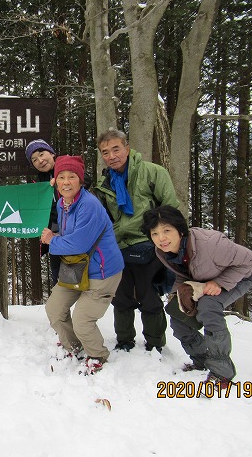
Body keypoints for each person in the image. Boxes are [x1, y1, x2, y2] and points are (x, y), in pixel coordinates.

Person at [141, 205, 252, 386]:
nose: (161, 238)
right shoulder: (162, 251)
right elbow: (183, 273)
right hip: (203, 280)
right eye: (154, 233)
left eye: (166, 231)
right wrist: (176, 295)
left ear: (180, 230)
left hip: (238, 277)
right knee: (177, 313)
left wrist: (219, 283)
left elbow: (249, 259)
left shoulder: (211, 244)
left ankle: (222, 372)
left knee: (208, 306)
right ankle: (201, 359)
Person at [95, 129, 180, 353]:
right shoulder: (105, 183)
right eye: (105, 152)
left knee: (149, 296)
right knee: (121, 297)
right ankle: (124, 341)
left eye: (116, 149)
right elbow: (104, 217)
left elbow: (170, 209)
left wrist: (166, 242)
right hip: (118, 247)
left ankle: (155, 343)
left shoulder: (152, 172)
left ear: (127, 148)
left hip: (149, 244)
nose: (111, 156)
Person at [41, 155, 124, 374]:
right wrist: (57, 236)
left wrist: (51, 241)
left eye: (72, 177)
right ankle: (73, 345)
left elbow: (79, 243)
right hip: (78, 269)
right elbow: (71, 235)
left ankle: (97, 355)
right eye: (61, 177)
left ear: (80, 180)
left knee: (82, 320)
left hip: (102, 272)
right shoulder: (62, 203)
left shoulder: (89, 205)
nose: (66, 182)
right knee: (54, 309)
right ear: (56, 181)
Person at [25, 139, 60, 283]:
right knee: (59, 278)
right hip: (53, 236)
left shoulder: (67, 167)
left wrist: (62, 180)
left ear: (52, 153)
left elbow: (85, 179)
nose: (40, 160)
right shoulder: (39, 182)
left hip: (75, 232)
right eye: (34, 160)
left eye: (41, 154)